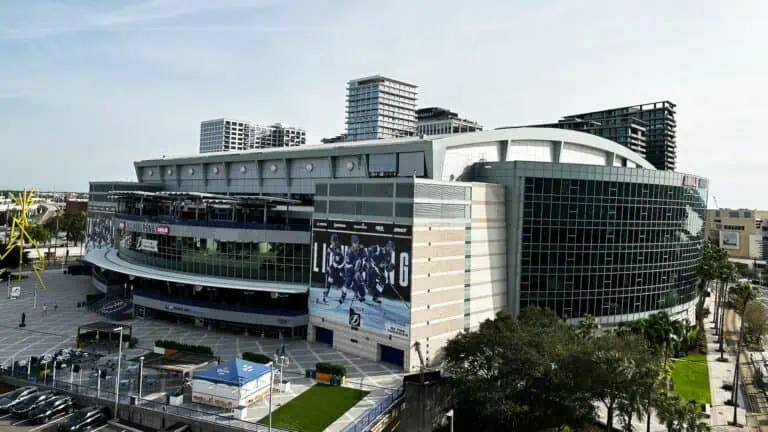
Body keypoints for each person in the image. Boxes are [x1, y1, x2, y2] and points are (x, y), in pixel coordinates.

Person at [340, 235, 368, 304]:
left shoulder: (362, 249)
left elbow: (366, 260)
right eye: (355, 242)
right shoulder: (349, 252)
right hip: (349, 269)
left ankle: (360, 295)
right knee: (348, 282)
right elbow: (347, 265)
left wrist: (361, 269)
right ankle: (343, 296)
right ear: (352, 243)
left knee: (360, 284)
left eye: (357, 242)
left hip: (358, 270)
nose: (356, 244)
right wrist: (354, 270)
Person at [322, 234, 345, 304]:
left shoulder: (338, 248)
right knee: (330, 279)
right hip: (335, 265)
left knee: (345, 281)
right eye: (331, 241)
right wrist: (328, 251)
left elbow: (337, 261)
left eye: (333, 241)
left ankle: (344, 295)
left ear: (336, 241)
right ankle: (326, 292)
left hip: (341, 266)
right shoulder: (332, 246)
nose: (331, 242)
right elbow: (330, 252)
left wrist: (330, 267)